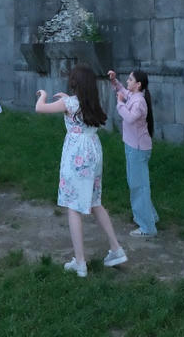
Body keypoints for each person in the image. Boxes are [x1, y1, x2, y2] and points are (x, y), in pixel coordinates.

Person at [35, 64, 127, 278]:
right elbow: (77, 109)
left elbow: (40, 108)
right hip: (93, 151)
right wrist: (66, 99)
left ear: (75, 83)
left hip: (77, 154)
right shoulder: (90, 103)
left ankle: (80, 262)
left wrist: (44, 95)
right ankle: (116, 249)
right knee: (95, 202)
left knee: (73, 206)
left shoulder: (69, 103)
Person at [108, 70, 159, 236]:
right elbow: (123, 91)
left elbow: (129, 118)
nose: (127, 81)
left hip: (138, 149)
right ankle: (150, 217)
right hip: (132, 147)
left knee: (139, 187)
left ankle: (147, 228)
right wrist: (115, 81)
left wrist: (120, 104)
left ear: (138, 85)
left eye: (130, 79)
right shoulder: (133, 95)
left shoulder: (140, 102)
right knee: (136, 184)